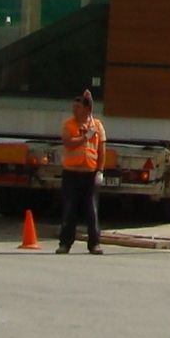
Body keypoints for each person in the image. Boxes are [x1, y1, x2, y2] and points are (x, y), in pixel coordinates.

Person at [59, 88, 107, 255]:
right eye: (74, 107)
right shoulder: (69, 125)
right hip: (71, 173)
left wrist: (100, 171)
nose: (75, 110)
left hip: (89, 173)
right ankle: (65, 243)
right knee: (69, 209)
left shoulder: (96, 126)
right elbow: (68, 143)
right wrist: (85, 137)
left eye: (78, 107)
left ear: (86, 109)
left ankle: (94, 243)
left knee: (92, 210)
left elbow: (102, 150)